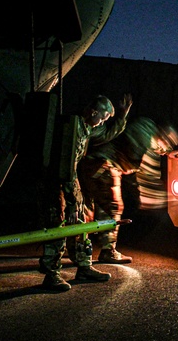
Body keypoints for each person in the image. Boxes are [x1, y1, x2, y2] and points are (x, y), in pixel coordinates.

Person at [37, 93, 132, 291]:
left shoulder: (86, 128)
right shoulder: (71, 127)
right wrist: (70, 193)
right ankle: (52, 274)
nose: (101, 123)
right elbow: (65, 163)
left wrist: (122, 116)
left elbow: (107, 134)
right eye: (103, 118)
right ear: (93, 111)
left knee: (80, 224)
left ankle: (84, 267)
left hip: (71, 183)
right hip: (58, 184)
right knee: (57, 225)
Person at [79, 117, 178, 265]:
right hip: (104, 166)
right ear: (162, 133)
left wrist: (168, 153)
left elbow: (155, 147)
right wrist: (143, 194)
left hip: (96, 164)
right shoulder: (144, 134)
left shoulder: (147, 131)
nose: (168, 145)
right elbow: (138, 167)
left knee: (89, 208)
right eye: (168, 140)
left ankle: (77, 248)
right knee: (113, 206)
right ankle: (108, 251)